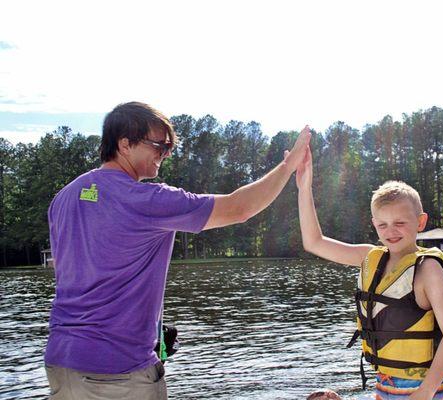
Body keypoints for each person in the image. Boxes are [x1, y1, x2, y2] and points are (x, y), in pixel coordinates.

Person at [44, 101, 311, 400]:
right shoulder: (147, 200)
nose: (165, 154)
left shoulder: (64, 198)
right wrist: (288, 167)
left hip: (60, 361)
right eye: (159, 146)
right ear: (124, 144)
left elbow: (67, 269)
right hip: (118, 369)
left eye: (169, 147)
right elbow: (239, 208)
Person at [296, 148, 443, 400]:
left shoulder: (428, 269)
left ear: (420, 222)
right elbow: (313, 242)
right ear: (374, 224)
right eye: (383, 224)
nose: (391, 231)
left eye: (400, 223)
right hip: (384, 385)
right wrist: (304, 187)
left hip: (426, 388)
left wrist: (426, 391)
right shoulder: (368, 256)